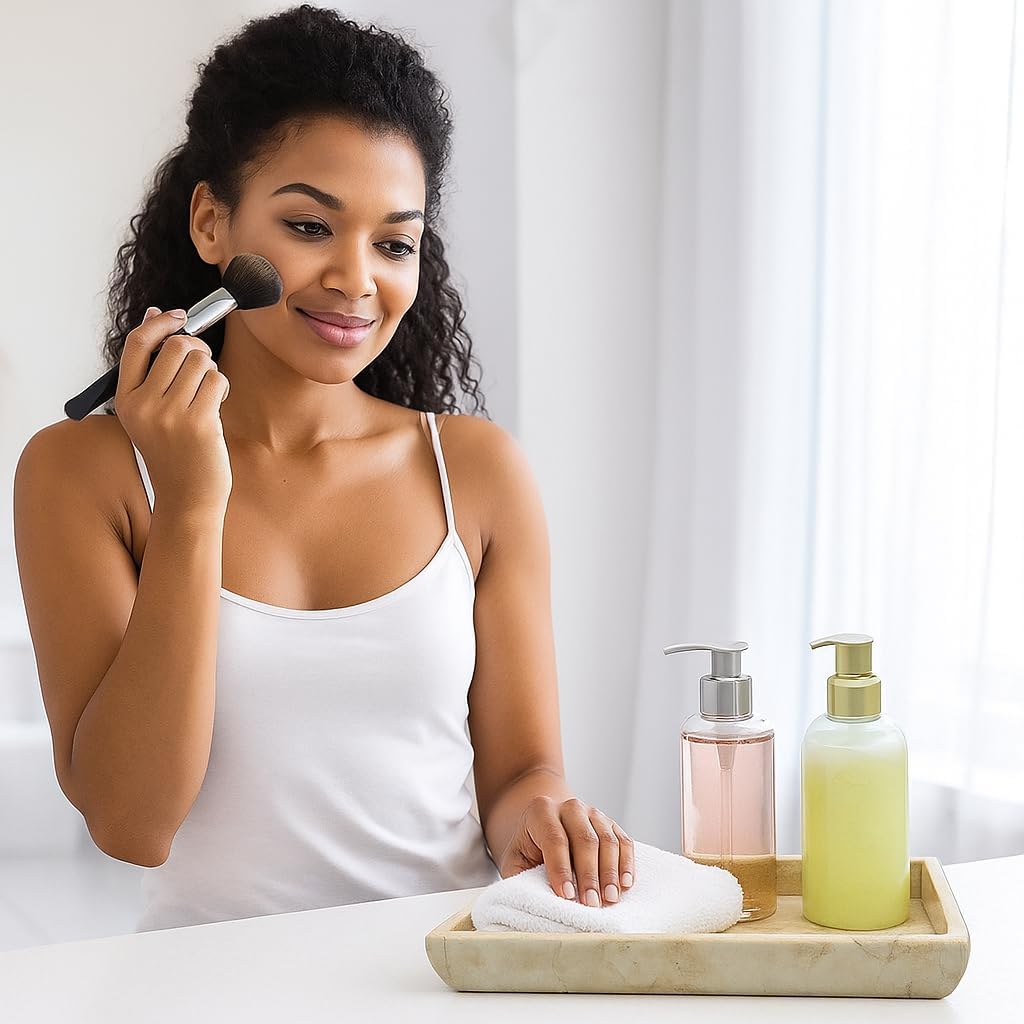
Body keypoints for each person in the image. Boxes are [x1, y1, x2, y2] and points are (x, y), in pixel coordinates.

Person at [13, 3, 635, 930]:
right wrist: (191, 505)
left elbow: (519, 775)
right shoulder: (82, 474)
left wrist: (544, 821)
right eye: (310, 226)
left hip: (442, 973)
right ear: (212, 223)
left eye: (394, 243)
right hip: (209, 986)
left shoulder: (476, 471)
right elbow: (132, 823)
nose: (355, 279)